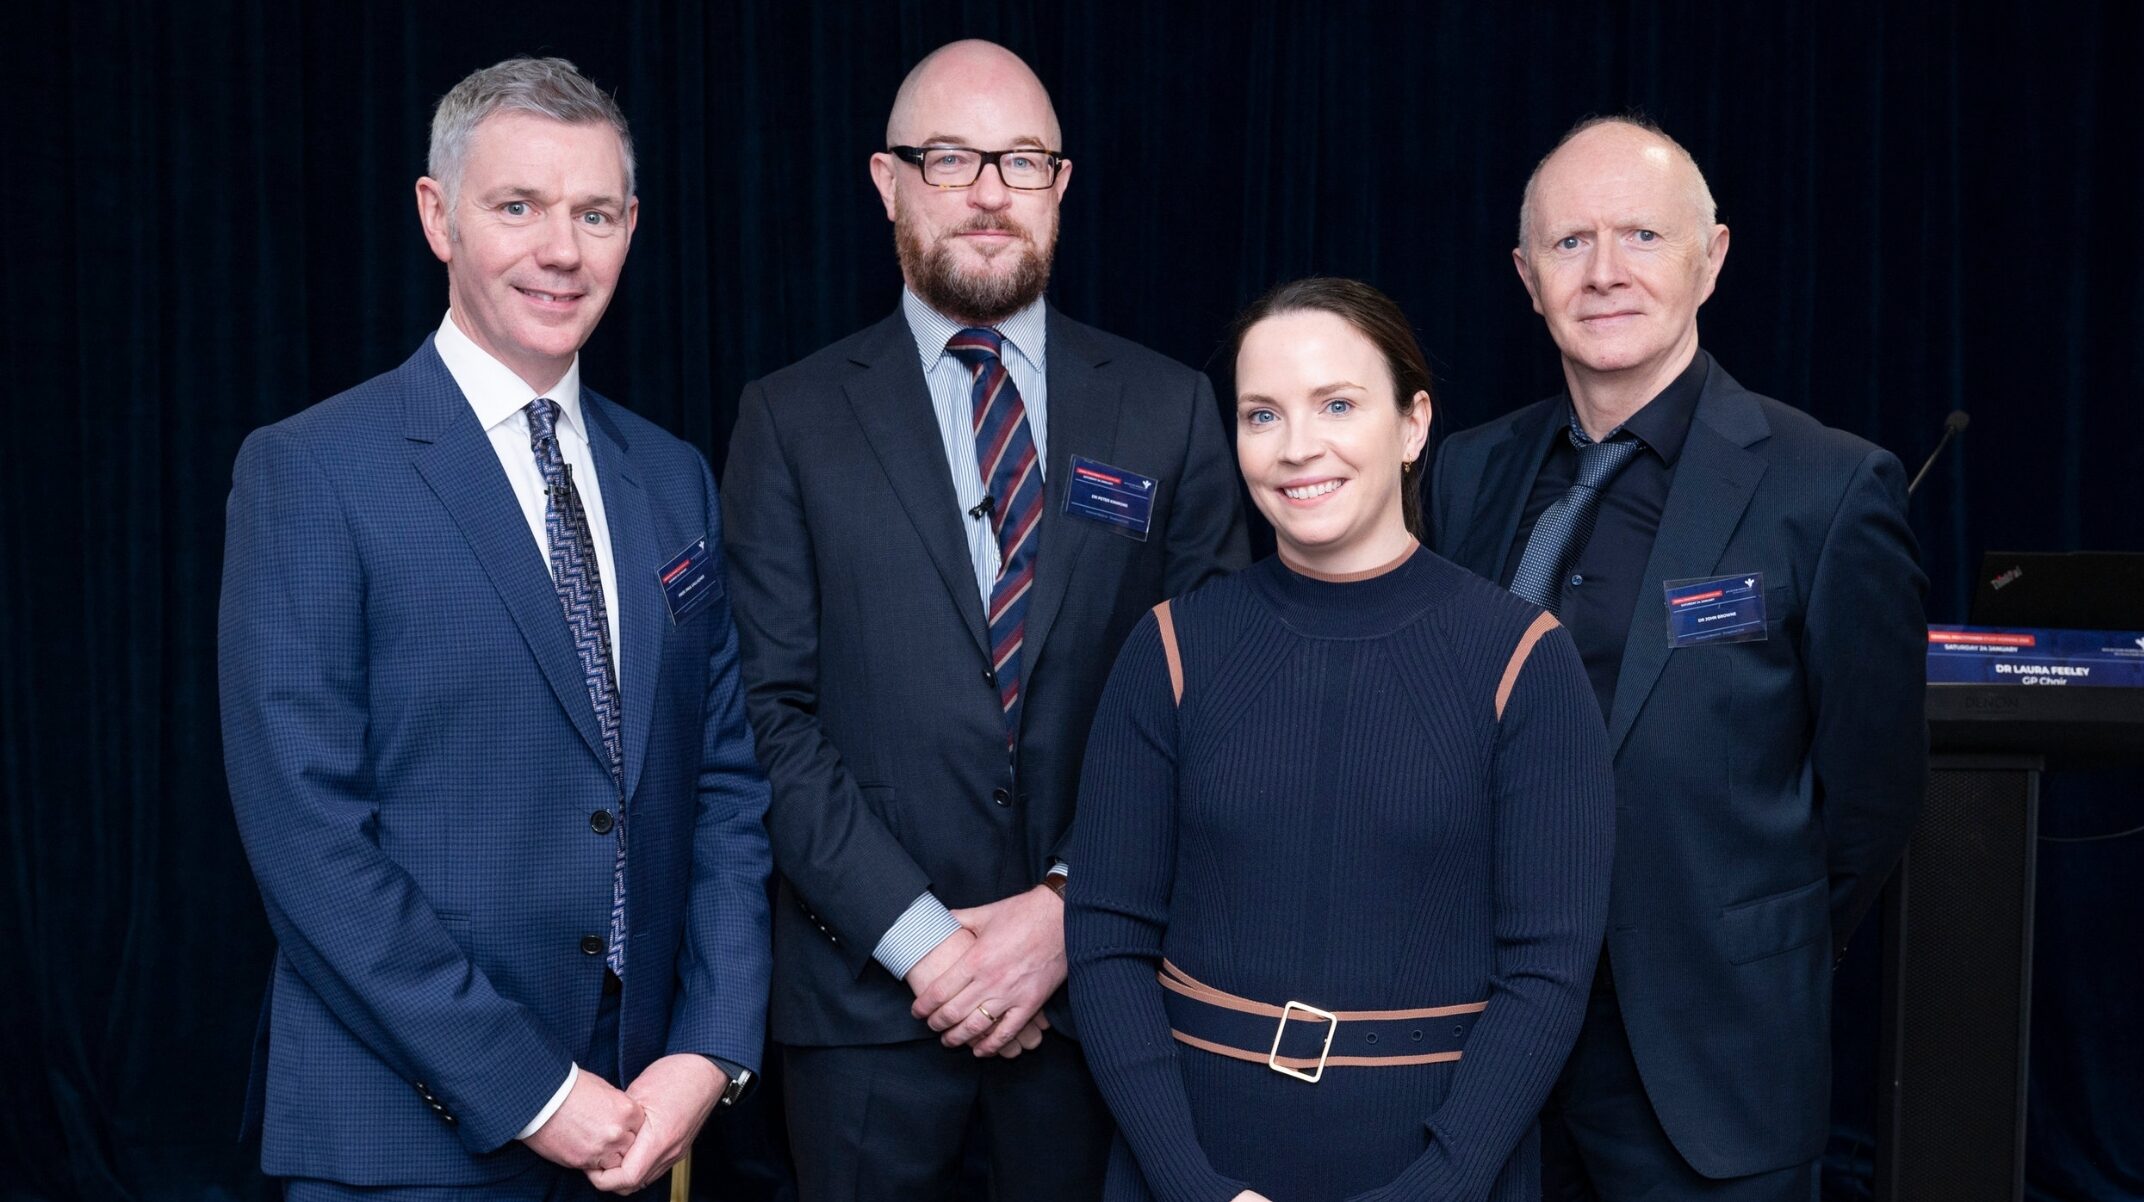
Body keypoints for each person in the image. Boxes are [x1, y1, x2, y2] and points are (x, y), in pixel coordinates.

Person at [219, 57, 771, 1199]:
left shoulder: (672, 477)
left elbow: (723, 786)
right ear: (439, 217)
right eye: (517, 206)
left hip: (641, 1110)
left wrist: (708, 1048)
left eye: (594, 214)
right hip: (405, 1133)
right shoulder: (313, 472)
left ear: (631, 229)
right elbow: (309, 840)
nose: (561, 250)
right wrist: (535, 1091)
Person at [719, 37, 1249, 1202]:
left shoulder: (1167, 409)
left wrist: (1065, 910)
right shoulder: (789, 420)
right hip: (864, 1011)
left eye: (1021, 160)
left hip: (1100, 1002)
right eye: (950, 158)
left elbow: (1209, 697)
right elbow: (766, 715)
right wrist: (930, 945)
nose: (989, 192)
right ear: (886, 180)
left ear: (1061, 184)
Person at [1428, 117, 1927, 1200]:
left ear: (1712, 258)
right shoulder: (1466, 473)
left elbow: (1872, 794)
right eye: (1570, 242)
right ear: (1525, 276)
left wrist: (1745, 940)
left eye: (1643, 236)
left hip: (1709, 1058)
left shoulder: (1827, 487)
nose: (1605, 272)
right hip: (1481, 1051)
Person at [1065, 277, 1616, 1202]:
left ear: (1413, 426)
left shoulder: (1524, 659)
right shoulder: (1170, 648)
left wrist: (1436, 1189)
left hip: (1437, 1175)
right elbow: (1107, 940)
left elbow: (1548, 975)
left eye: (1337, 405)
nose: (1297, 446)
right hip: (1191, 1168)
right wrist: (1190, 1185)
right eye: (1262, 414)